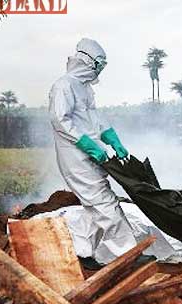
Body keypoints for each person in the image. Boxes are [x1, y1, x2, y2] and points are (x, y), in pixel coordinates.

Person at [49, 38, 136, 269]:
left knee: (94, 206)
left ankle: (83, 252)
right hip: (76, 156)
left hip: (92, 154)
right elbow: (60, 120)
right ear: (86, 61)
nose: (99, 70)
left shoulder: (85, 89)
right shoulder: (63, 86)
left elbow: (96, 118)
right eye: (99, 65)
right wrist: (90, 145)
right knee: (104, 202)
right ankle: (128, 255)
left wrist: (112, 139)